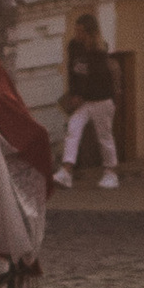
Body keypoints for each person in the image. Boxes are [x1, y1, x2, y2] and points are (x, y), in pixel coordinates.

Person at [55, 15, 121, 190]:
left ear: (90, 33)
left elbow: (96, 78)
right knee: (73, 128)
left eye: (81, 31)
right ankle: (66, 171)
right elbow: (72, 72)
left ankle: (111, 172)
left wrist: (80, 96)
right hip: (84, 101)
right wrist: (74, 94)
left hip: (101, 99)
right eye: (76, 30)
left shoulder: (98, 51)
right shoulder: (74, 46)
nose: (77, 34)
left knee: (104, 136)